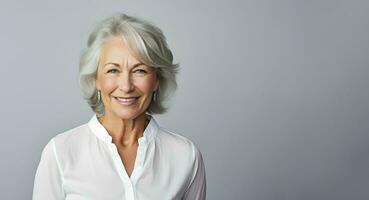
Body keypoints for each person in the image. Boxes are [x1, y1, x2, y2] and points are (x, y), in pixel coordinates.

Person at [32, 13, 206, 200]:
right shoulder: (61, 152)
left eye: (139, 70)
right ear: (96, 79)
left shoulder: (185, 156)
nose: (126, 86)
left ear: (157, 80)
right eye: (113, 70)